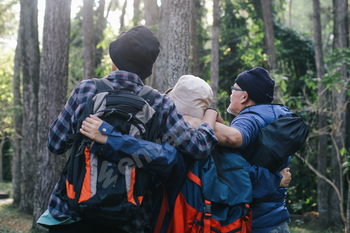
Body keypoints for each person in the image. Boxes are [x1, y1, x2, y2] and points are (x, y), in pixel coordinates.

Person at [39, 26, 220, 233]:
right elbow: (199, 148)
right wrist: (209, 117)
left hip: (72, 213)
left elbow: (55, 143)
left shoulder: (87, 89)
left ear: (115, 60)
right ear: (146, 68)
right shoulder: (159, 103)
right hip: (130, 219)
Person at [79, 74, 292, 233]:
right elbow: (245, 174)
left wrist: (110, 138)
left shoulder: (162, 134)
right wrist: (277, 180)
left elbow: (155, 156)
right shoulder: (212, 144)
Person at [188, 67, 292, 233]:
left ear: (244, 96)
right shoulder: (277, 116)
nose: (231, 94)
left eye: (233, 89)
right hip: (276, 218)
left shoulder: (250, 118)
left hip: (257, 223)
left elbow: (234, 139)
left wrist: (191, 119)